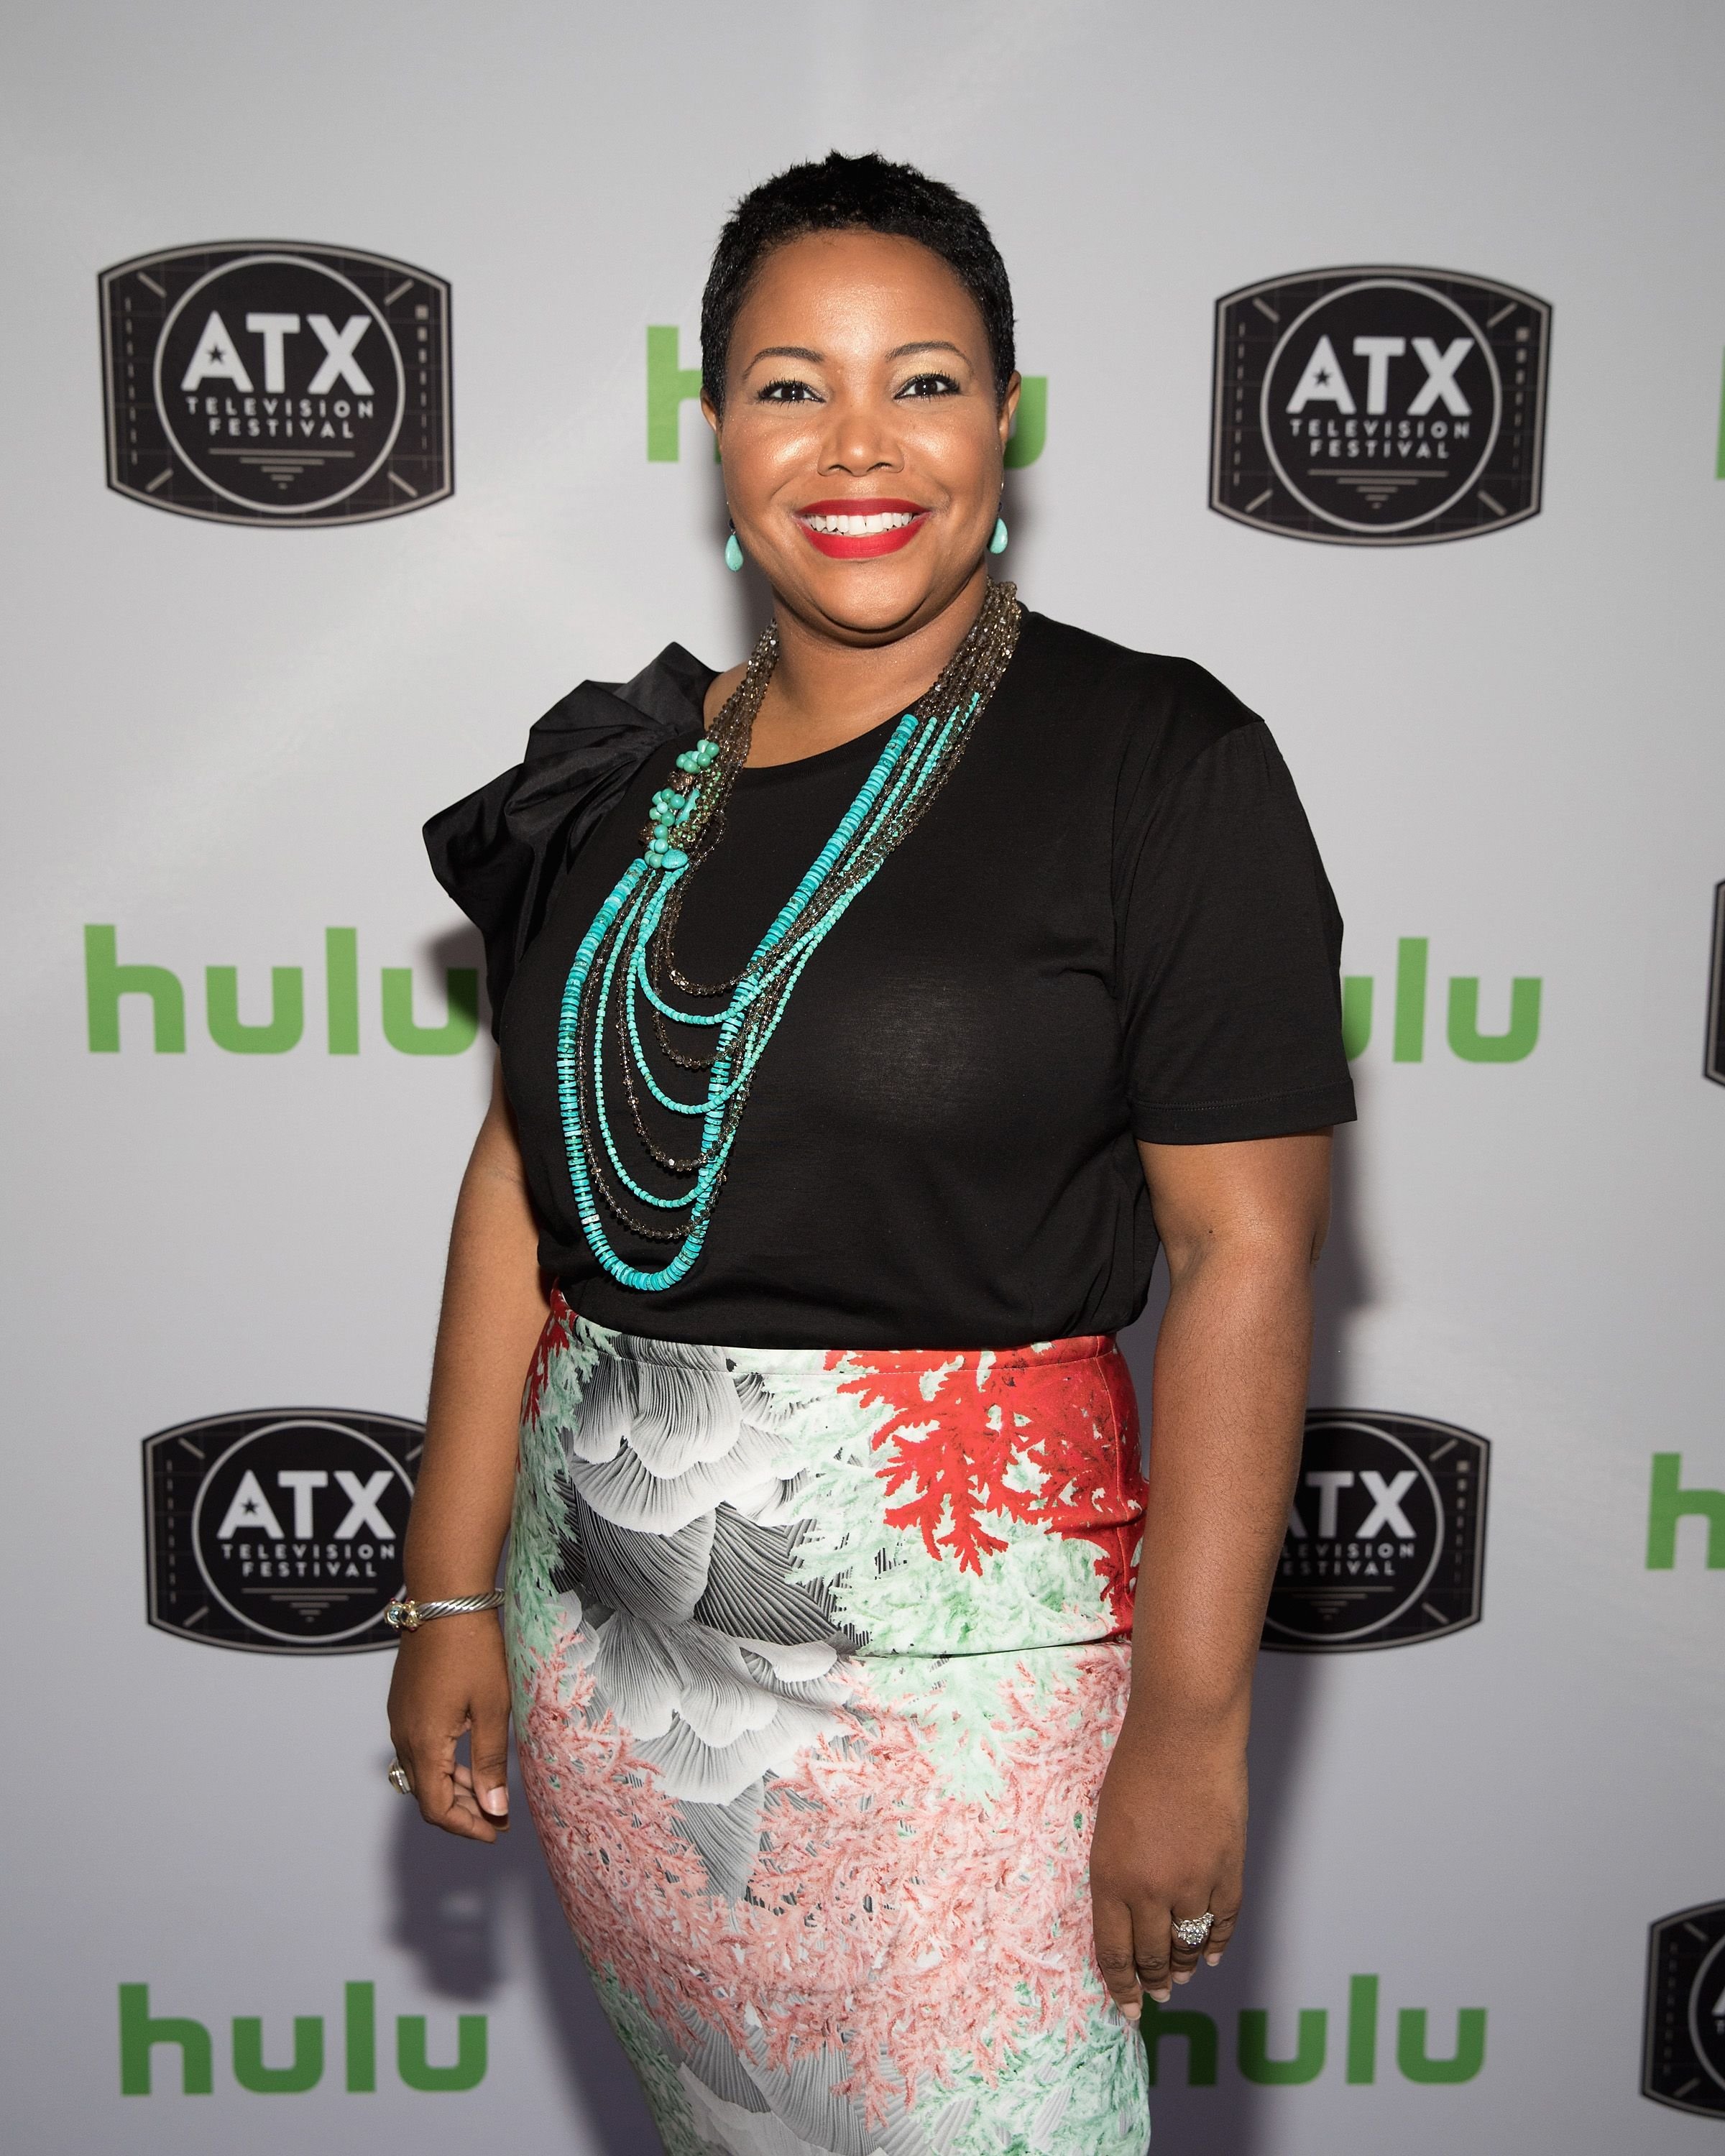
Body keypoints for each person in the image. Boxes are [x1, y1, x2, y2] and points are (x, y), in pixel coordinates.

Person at [387, 149, 1353, 2156]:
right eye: (786, 383)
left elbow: (1247, 1262)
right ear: (715, 422)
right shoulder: (617, 785)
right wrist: (449, 1588)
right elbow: (522, 1177)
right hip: (616, 1662)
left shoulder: (1160, 765)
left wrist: (1189, 1725)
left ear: (1006, 420)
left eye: (922, 382)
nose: (858, 444)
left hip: (979, 1703)